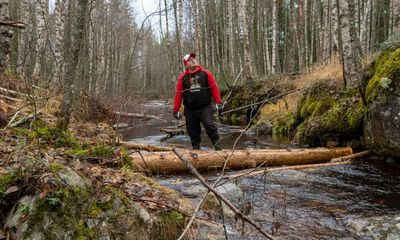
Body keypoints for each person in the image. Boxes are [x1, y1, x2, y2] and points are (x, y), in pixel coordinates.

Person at [173, 53, 223, 150]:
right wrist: (176, 110)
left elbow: (214, 88)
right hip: (190, 109)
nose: (193, 60)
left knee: (209, 125)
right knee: (192, 131)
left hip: (205, 107)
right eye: (190, 59)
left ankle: (218, 148)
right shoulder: (182, 78)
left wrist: (219, 103)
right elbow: (178, 94)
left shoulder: (205, 73)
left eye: (194, 58)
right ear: (186, 64)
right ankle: (196, 150)